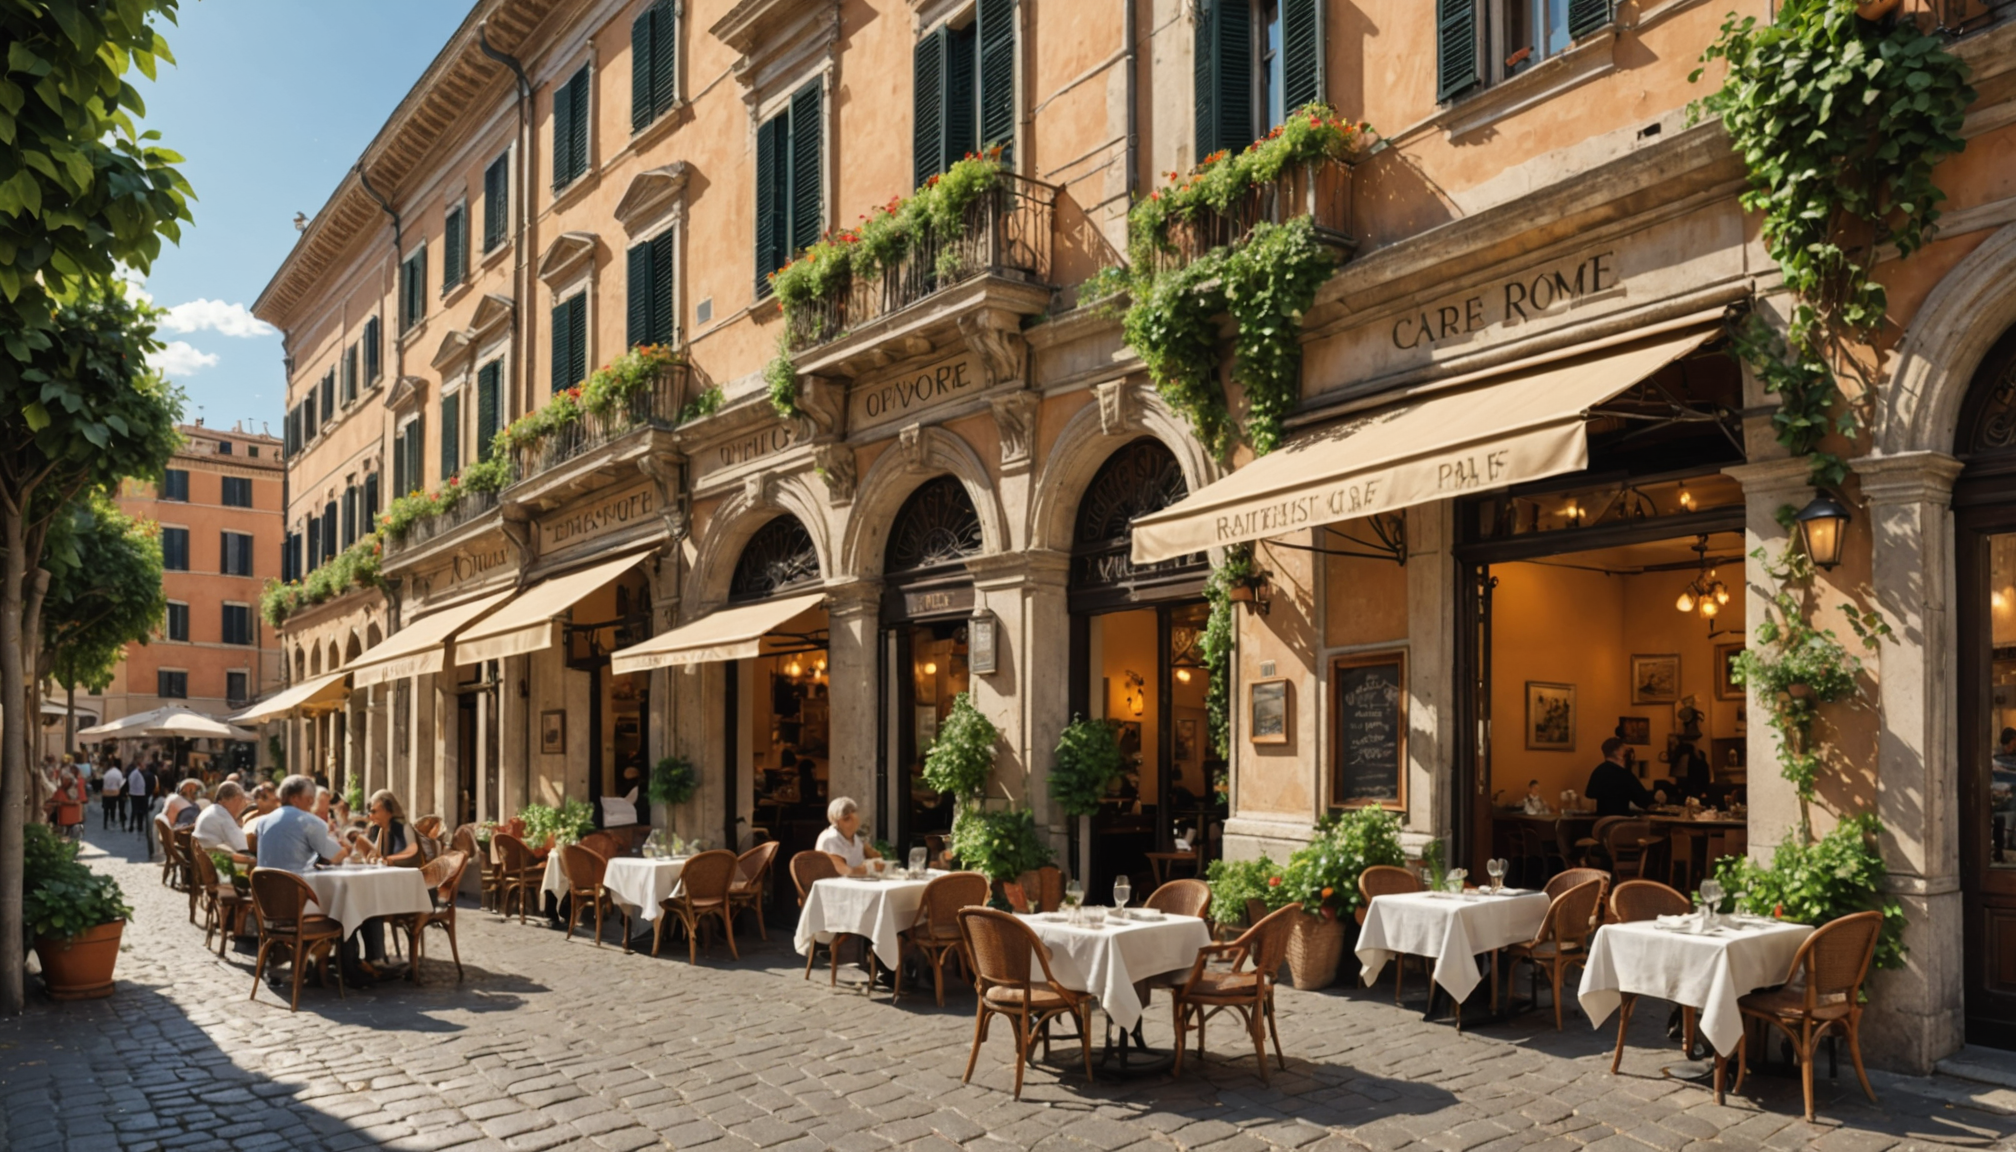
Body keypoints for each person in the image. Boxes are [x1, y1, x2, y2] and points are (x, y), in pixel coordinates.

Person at [1586, 737, 1655, 818]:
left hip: (1600, 824)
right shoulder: (1624, 775)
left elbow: (1589, 795)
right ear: (1617, 753)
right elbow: (1644, 801)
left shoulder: (1597, 771)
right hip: (1620, 824)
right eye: (1625, 750)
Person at [815, 797, 880, 876]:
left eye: (854, 814)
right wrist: (870, 867)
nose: (853, 820)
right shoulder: (830, 839)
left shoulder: (856, 839)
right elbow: (844, 872)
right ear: (836, 822)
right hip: (834, 884)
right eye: (846, 818)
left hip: (857, 883)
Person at [194, 781, 254, 866]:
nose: (242, 805)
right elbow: (243, 847)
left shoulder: (213, 810)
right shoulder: (223, 815)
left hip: (207, 862)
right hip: (217, 867)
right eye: (240, 800)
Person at [359, 790, 420, 866]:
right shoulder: (378, 829)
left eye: (374, 812)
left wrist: (388, 860)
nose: (371, 816)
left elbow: (412, 852)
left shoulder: (404, 828)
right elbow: (375, 854)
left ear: (388, 812)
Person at [48, 764, 86, 842]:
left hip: (71, 818)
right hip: (65, 818)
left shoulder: (75, 788)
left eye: (64, 779)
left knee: (71, 836)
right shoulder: (62, 790)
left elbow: (81, 800)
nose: (63, 781)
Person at [99, 757, 125, 830]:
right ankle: (112, 820)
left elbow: (103, 782)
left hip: (106, 793)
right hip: (114, 793)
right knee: (113, 808)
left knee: (106, 809)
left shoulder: (107, 773)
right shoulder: (118, 773)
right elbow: (121, 784)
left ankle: (105, 823)